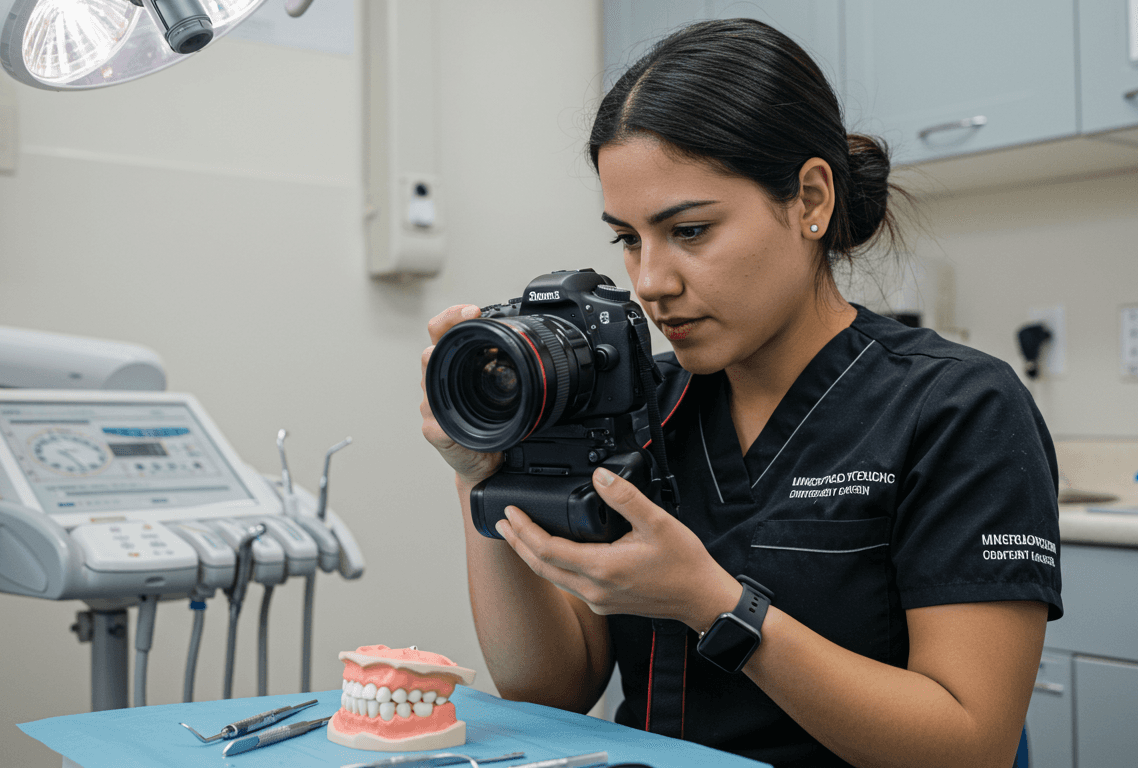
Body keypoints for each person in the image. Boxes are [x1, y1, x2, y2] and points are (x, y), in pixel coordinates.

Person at [420, 18, 1061, 768]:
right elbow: (549, 689)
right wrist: (479, 477)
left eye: (689, 231)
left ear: (810, 199)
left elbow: (969, 748)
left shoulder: (957, 409)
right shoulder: (641, 405)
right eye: (627, 239)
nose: (651, 281)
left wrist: (712, 603)